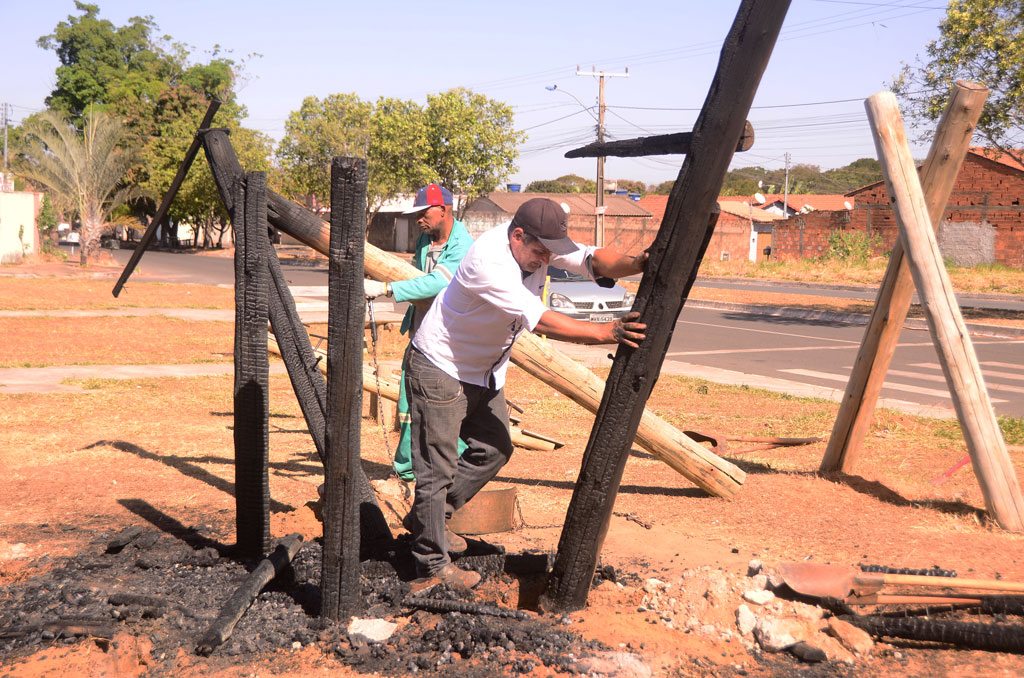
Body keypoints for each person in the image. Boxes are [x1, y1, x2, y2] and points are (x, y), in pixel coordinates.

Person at [405, 197, 648, 588]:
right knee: (438, 468)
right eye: (540, 252)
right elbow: (541, 319)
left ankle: (428, 519)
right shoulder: (489, 261)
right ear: (518, 236)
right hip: (442, 368)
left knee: (495, 449)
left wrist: (636, 263)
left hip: (483, 373)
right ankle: (431, 564)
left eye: (551, 252)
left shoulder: (537, 247)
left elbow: (592, 260)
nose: (546, 260)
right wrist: (607, 331)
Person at [363, 184, 472, 483]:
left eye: (424, 214)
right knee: (408, 403)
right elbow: (414, 275)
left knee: (443, 407)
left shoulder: (463, 246)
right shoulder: (425, 240)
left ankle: (453, 466)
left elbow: (438, 282)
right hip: (421, 335)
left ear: (444, 211)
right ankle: (407, 468)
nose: (418, 221)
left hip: (449, 342)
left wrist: (387, 289)